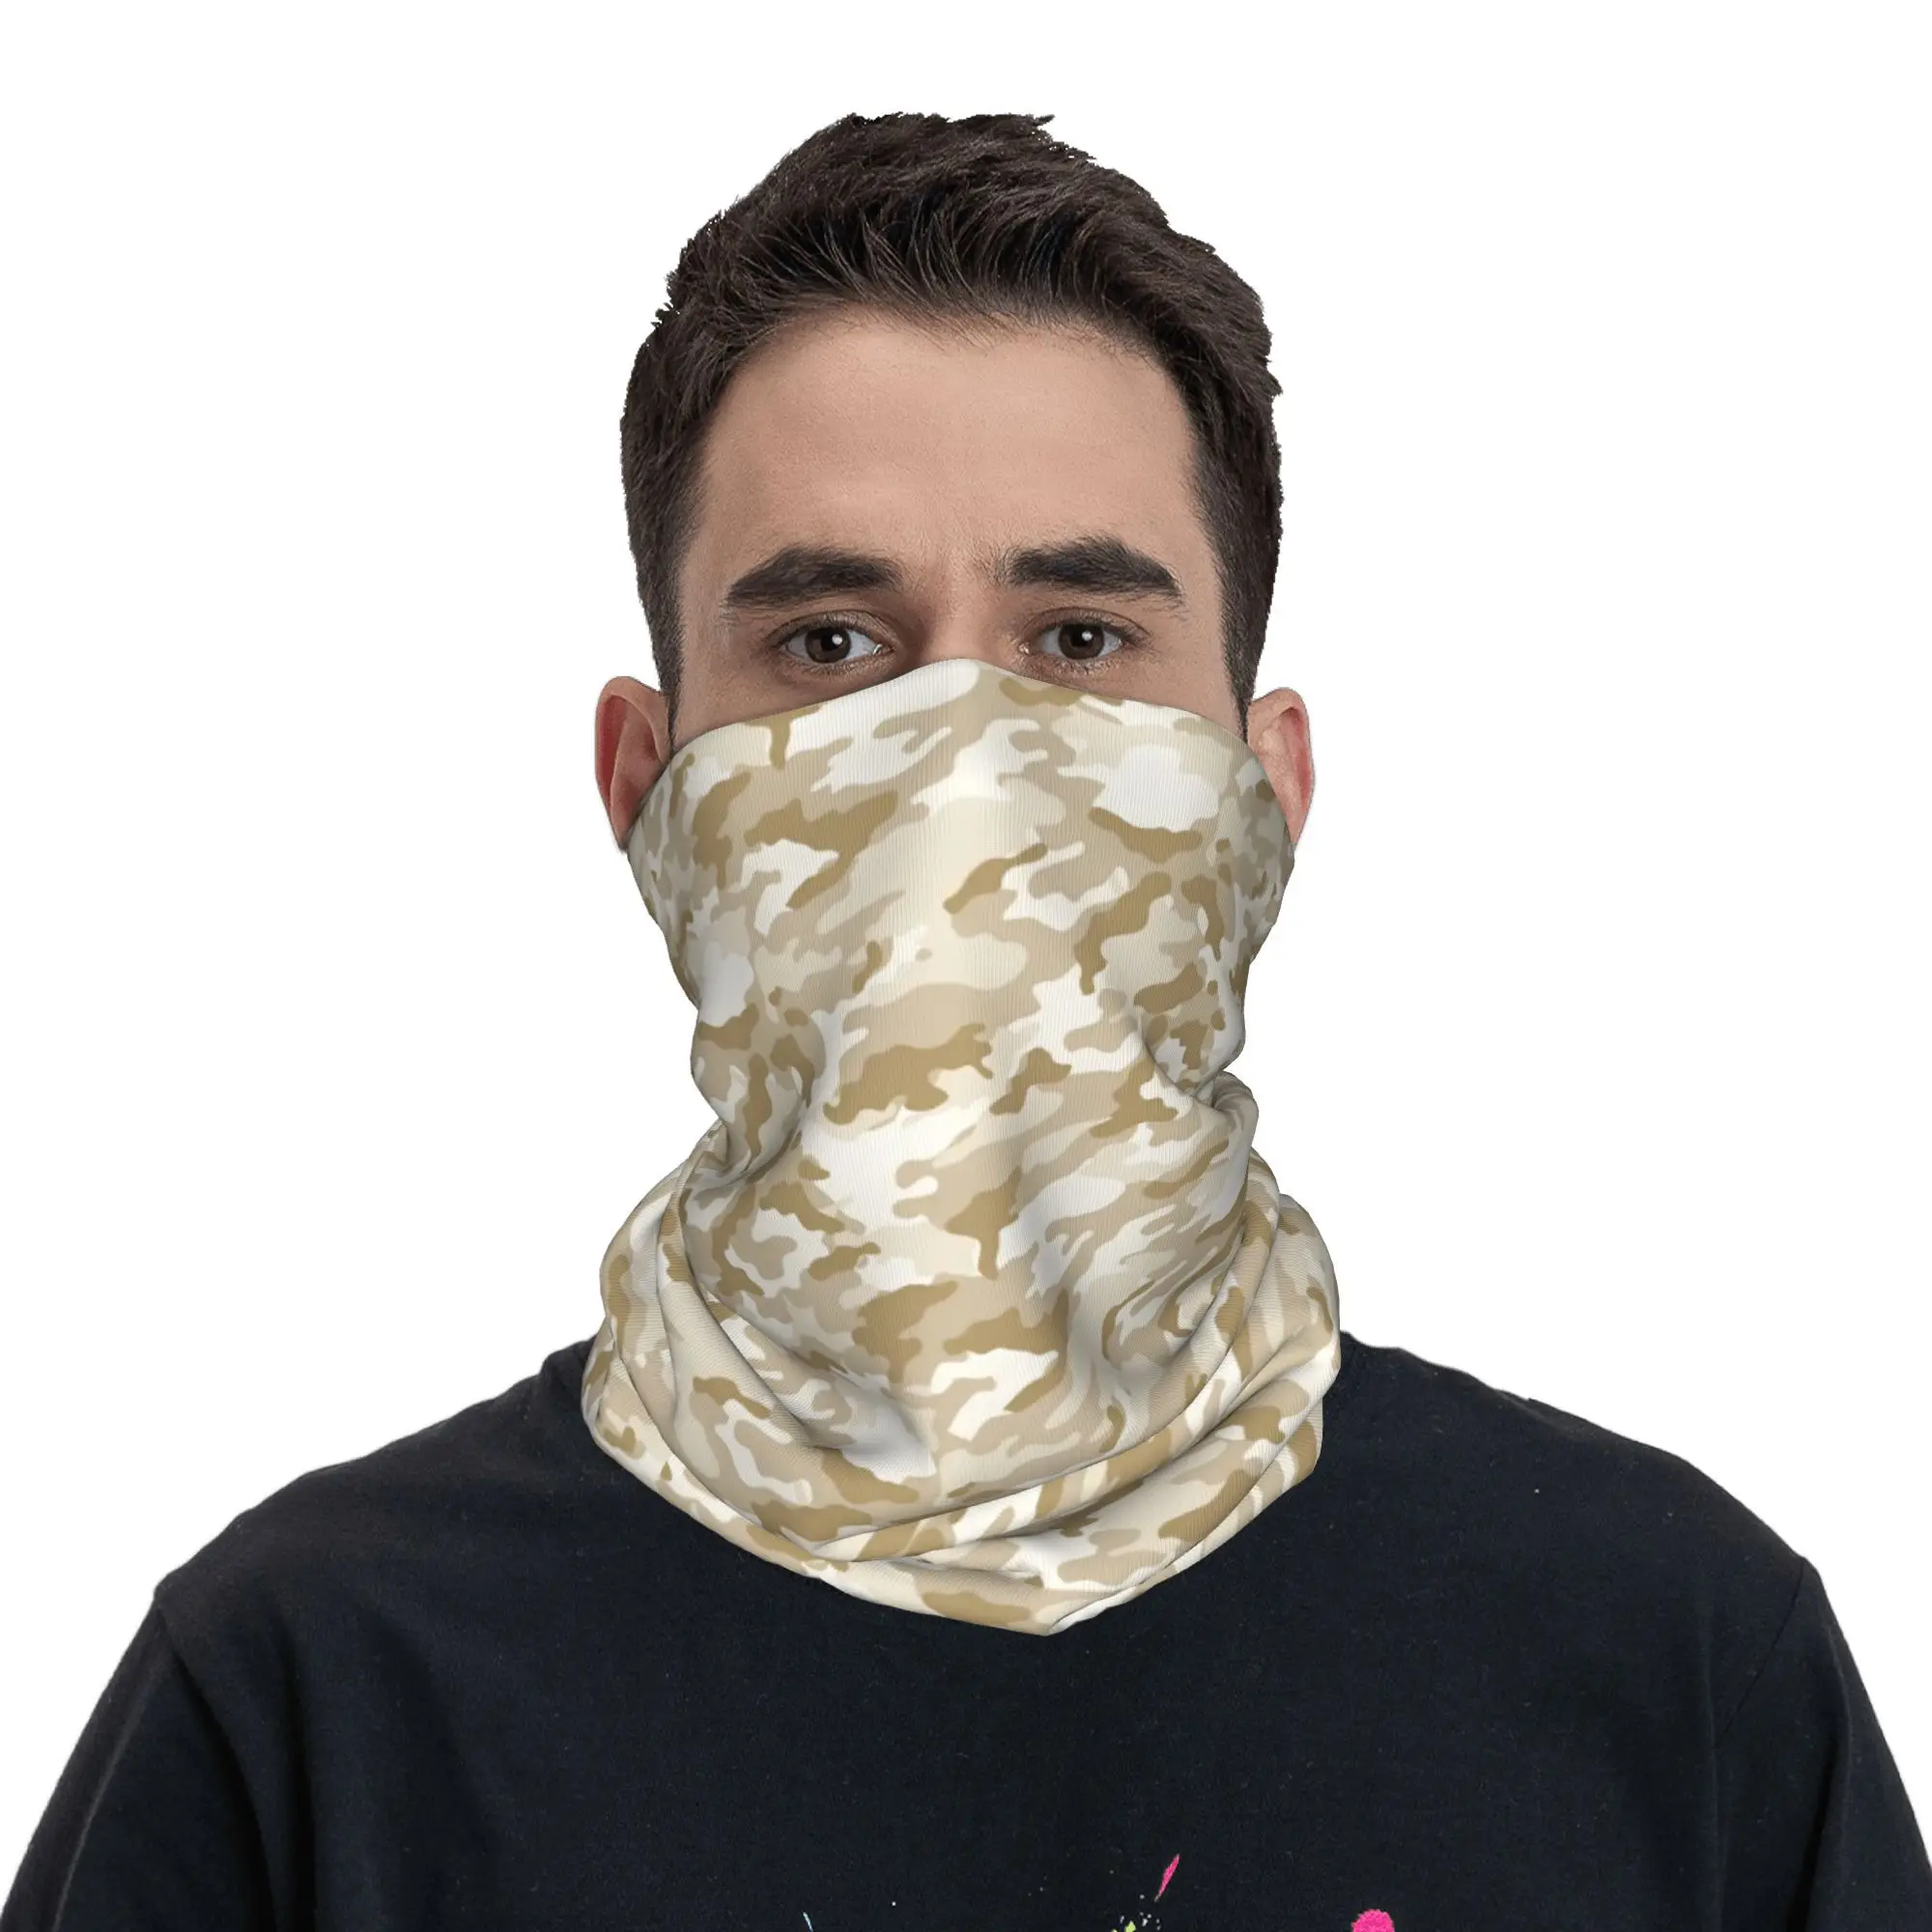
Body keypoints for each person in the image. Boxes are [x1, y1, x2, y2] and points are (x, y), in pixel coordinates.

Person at [5, 109, 1927, 1932]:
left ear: (1263, 796)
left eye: (1079, 641)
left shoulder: (1677, 1670)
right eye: (829, 644)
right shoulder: (307, 1707)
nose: (958, 765)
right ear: (645, 790)